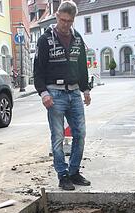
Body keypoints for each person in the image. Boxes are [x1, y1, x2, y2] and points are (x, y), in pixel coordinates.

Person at [33, 0, 92, 191]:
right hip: (54, 93)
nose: (65, 24)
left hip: (74, 92)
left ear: (74, 19)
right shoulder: (45, 40)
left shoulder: (77, 39)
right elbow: (38, 70)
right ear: (57, 16)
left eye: (69, 21)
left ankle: (74, 171)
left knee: (80, 134)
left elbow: (82, 67)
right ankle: (62, 175)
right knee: (57, 137)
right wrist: (43, 93)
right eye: (63, 20)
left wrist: (86, 89)